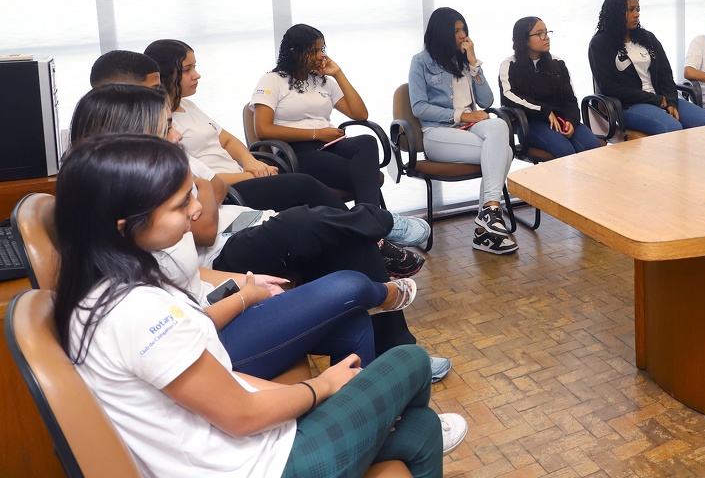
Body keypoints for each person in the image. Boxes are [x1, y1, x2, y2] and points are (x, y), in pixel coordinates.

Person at [54, 134, 466, 477]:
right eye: (181, 204)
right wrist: (323, 388)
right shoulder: (136, 312)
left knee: (421, 428)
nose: (197, 209)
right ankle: (386, 312)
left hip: (248, 448)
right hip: (258, 466)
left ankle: (367, 434)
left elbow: (222, 382)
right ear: (125, 227)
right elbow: (242, 415)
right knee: (410, 361)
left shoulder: (109, 289)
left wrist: (246, 297)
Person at [70, 84, 445, 375]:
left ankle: (398, 362)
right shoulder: (135, 223)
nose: (178, 135)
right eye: (167, 125)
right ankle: (384, 233)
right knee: (319, 242)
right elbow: (204, 228)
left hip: (225, 265)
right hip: (216, 304)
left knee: (346, 252)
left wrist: (244, 283)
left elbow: (208, 209)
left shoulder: (161, 190)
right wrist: (245, 295)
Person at [142, 39, 430, 253]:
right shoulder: (159, 124)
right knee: (304, 186)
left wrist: (252, 162)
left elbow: (228, 139)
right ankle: (378, 225)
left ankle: (373, 227)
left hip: (244, 176)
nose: (197, 75)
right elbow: (200, 178)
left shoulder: (188, 106)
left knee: (364, 142)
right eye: (189, 69)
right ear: (167, 75)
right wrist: (251, 173)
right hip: (229, 191)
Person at [410, 7, 518, 255]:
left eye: (463, 30)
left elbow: (488, 99)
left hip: (470, 129)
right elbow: (419, 107)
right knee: (505, 153)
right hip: (438, 134)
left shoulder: (464, 61)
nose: (462, 35)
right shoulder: (421, 62)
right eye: (456, 30)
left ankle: (489, 213)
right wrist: (461, 115)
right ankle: (486, 229)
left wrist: (473, 62)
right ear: (441, 33)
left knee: (499, 125)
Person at [250, 24, 383, 206]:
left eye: (322, 49)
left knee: (367, 141)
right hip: (295, 151)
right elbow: (263, 130)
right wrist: (316, 134)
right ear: (294, 51)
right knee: (367, 175)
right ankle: (372, 219)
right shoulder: (272, 80)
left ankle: (368, 219)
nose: (321, 55)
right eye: (314, 50)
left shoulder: (322, 81)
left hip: (328, 144)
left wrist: (338, 74)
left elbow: (359, 113)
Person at [588, 0, 705, 134]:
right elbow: (608, 87)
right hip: (630, 105)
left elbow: (665, 74)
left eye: (638, 9)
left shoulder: (647, 38)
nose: (636, 14)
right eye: (630, 10)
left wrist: (672, 102)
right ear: (615, 13)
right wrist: (653, 99)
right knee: (672, 128)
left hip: (662, 99)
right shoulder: (600, 44)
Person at [499, 17, 602, 156]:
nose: (546, 37)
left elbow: (570, 99)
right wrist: (544, 111)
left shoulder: (557, 63)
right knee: (565, 151)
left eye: (547, 32)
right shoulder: (510, 65)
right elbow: (508, 98)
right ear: (524, 39)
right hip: (530, 124)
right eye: (539, 33)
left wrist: (571, 120)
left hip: (561, 119)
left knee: (593, 147)